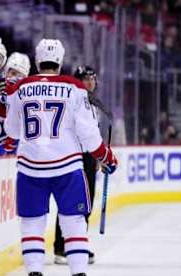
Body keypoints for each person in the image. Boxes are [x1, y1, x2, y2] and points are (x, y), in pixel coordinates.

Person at [4, 39, 118, 276]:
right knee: (74, 222)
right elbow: (89, 134)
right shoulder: (74, 88)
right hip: (67, 165)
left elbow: (11, 131)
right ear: (61, 60)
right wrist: (106, 157)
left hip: (30, 166)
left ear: (36, 59)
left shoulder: (20, 88)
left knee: (32, 223)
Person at [53, 65, 105, 265]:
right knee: (70, 202)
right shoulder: (72, 101)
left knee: (86, 201)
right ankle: (62, 246)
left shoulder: (92, 103)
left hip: (88, 157)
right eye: (86, 78)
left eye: (93, 78)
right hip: (74, 157)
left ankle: (76, 243)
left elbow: (93, 133)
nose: (90, 82)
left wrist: (99, 156)